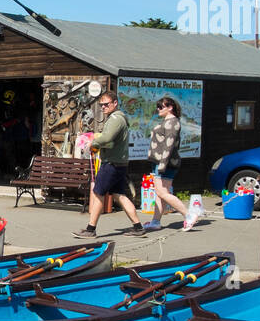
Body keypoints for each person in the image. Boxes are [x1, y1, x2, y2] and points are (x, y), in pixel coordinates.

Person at [75, 92, 145, 238]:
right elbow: (112, 141)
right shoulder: (118, 119)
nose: (103, 107)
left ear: (115, 103)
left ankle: (90, 229)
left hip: (111, 163)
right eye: (101, 105)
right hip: (118, 162)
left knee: (98, 193)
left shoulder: (115, 119)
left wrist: (92, 143)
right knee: (119, 195)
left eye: (106, 104)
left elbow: (107, 137)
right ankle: (138, 227)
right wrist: (98, 143)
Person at [145, 96, 191, 231]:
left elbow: (169, 145)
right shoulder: (167, 121)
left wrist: (162, 165)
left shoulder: (172, 122)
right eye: (157, 107)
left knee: (162, 192)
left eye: (161, 107)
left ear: (170, 107)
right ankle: (155, 221)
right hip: (160, 162)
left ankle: (188, 214)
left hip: (164, 163)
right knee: (161, 193)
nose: (158, 109)